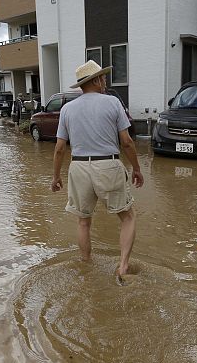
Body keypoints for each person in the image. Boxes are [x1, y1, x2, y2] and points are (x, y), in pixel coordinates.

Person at [51, 60, 144, 280]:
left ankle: (86, 264)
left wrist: (56, 177)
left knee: (83, 221)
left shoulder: (67, 109)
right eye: (102, 78)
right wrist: (137, 168)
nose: (105, 81)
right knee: (128, 217)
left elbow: (59, 148)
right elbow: (127, 142)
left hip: (78, 167)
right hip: (107, 165)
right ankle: (122, 267)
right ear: (96, 80)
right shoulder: (112, 103)